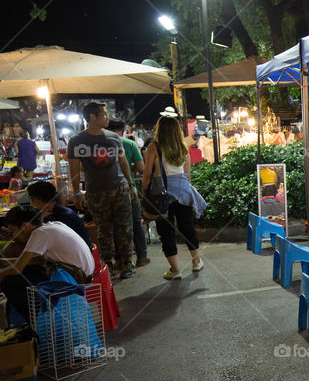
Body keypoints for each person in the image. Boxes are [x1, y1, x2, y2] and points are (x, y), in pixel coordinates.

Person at [67, 101, 137, 279]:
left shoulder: (113, 138)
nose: (107, 117)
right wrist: (76, 193)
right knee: (103, 229)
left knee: (125, 227)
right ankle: (109, 262)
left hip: (119, 188)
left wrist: (131, 185)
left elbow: (123, 163)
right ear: (92, 117)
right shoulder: (77, 141)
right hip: (96, 192)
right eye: (104, 114)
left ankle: (127, 261)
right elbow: (73, 169)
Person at [0, 205, 95, 320]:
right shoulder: (52, 225)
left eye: (14, 231)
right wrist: (4, 261)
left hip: (73, 279)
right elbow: (38, 260)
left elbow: (17, 268)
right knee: (27, 270)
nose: (14, 235)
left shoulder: (39, 234)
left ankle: (39, 322)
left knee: (9, 282)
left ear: (25, 225)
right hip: (81, 273)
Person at [142, 116, 207, 280]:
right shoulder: (182, 148)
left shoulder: (154, 148)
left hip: (161, 194)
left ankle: (175, 269)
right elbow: (187, 175)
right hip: (183, 191)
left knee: (166, 231)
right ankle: (196, 261)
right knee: (187, 227)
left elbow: (148, 174)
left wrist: (144, 193)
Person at [109, 120, 149, 267]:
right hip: (128, 189)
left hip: (107, 191)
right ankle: (141, 256)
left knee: (114, 226)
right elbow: (141, 167)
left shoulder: (99, 145)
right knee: (135, 223)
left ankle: (119, 259)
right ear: (123, 130)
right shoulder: (130, 144)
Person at [25, 180, 91, 247]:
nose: (30, 203)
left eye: (30, 199)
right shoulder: (58, 211)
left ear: (36, 199)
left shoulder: (59, 218)